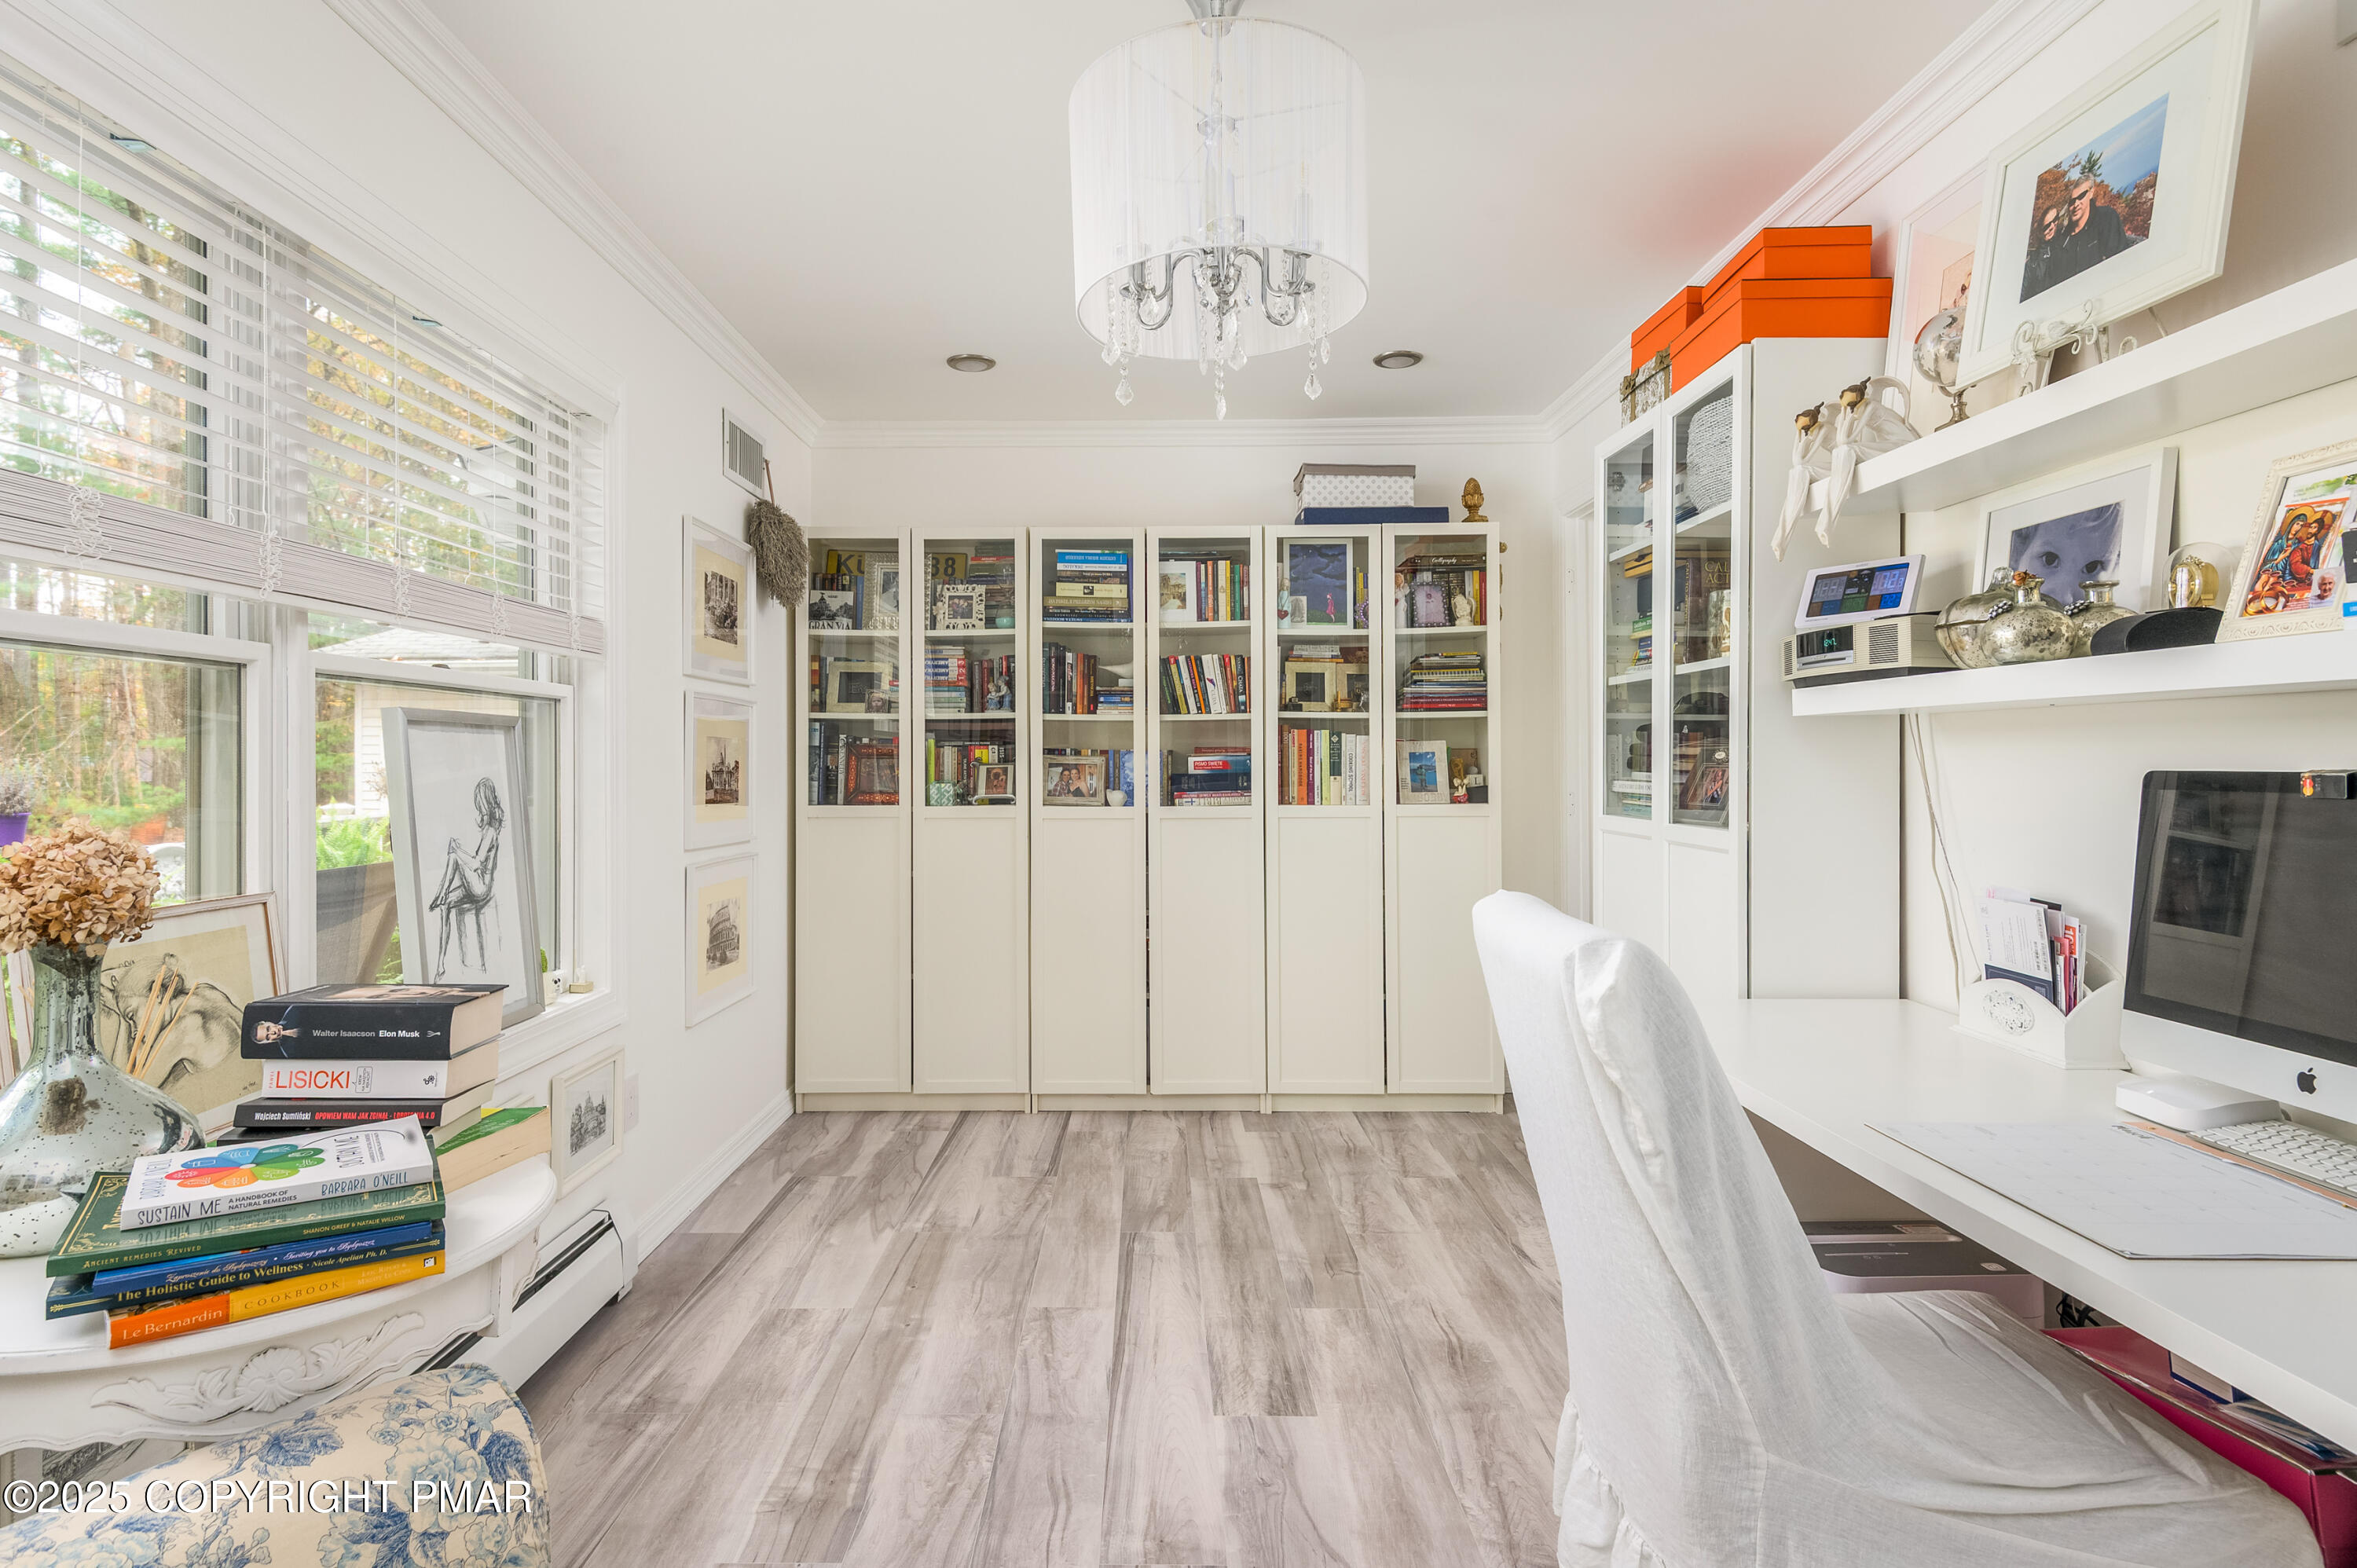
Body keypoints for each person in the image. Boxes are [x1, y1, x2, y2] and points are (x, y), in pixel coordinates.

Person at [428, 776, 504, 976]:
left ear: (485, 802)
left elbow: (477, 863)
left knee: (454, 854)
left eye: (480, 803)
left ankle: (441, 893)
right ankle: (440, 965)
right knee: (446, 906)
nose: (478, 808)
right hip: (476, 883)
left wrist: (459, 850)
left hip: (481, 887)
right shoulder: (489, 830)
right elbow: (476, 861)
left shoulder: (491, 832)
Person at [2055, 176, 2130, 282]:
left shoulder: (2107, 218)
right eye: (2072, 201)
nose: (2076, 204)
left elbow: (2120, 262)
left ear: (2091, 193)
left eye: (2081, 196)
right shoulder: (2062, 240)